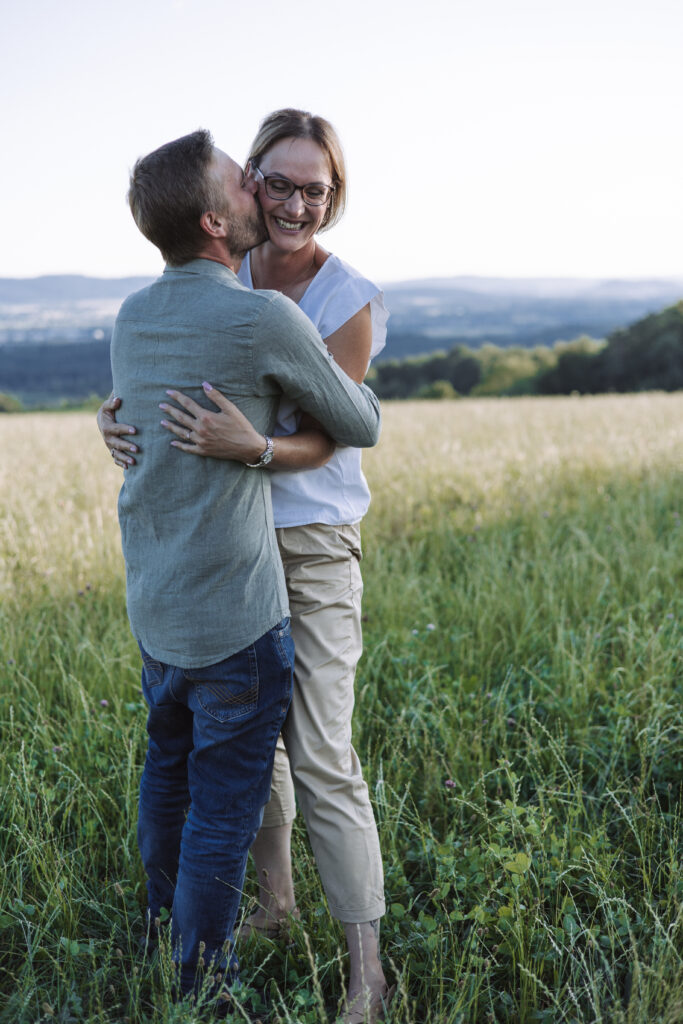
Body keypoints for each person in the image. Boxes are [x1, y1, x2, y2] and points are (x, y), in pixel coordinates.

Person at [108, 126, 382, 1009]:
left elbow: (344, 425)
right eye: (275, 183)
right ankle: (267, 912)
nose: (296, 204)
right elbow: (162, 388)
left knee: (319, 756)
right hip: (233, 555)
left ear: (334, 192)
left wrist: (255, 446)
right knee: (244, 761)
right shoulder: (238, 279)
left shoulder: (339, 297)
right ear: (240, 198)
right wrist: (112, 421)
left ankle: (363, 970)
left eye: (317, 188)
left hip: (306, 544)